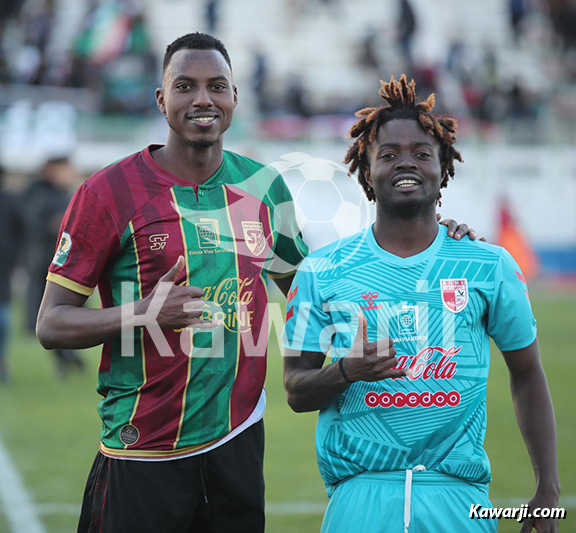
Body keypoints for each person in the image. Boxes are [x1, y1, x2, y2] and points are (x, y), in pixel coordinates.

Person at [36, 32, 477, 532]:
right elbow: (51, 324)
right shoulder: (107, 192)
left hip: (237, 449)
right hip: (141, 452)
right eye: (185, 86)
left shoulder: (263, 187)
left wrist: (436, 237)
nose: (203, 99)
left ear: (234, 98)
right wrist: (144, 312)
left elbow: (315, 289)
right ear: (162, 99)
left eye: (216, 86)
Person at [282, 75, 559, 533]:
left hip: (461, 502)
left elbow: (528, 373)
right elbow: (295, 390)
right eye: (388, 154)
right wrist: (348, 370)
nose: (405, 163)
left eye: (421, 153)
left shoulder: (488, 264)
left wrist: (548, 491)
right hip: (359, 500)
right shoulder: (322, 268)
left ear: (443, 166)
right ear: (366, 171)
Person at [23, 156, 85, 377]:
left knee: (76, 312)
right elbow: (28, 226)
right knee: (57, 313)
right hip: (47, 266)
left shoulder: (64, 194)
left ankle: (71, 358)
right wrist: (51, 224)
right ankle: (66, 358)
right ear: (52, 170)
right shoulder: (40, 195)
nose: (71, 173)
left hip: (68, 266)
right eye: (67, 169)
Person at [0, 164, 23, 383]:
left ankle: (2, 362)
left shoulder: (9, 201)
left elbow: (21, 229)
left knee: (3, 315)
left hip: (3, 265)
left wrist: (12, 253)